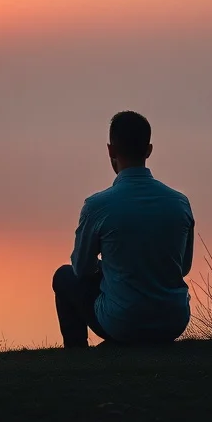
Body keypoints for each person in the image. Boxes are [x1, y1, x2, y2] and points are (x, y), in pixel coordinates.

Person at [53, 111, 195, 348]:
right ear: (149, 150)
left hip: (122, 321)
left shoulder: (97, 207)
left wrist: (104, 267)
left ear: (111, 150)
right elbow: (183, 267)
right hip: (173, 321)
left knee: (64, 276)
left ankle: (76, 355)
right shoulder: (179, 203)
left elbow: (81, 268)